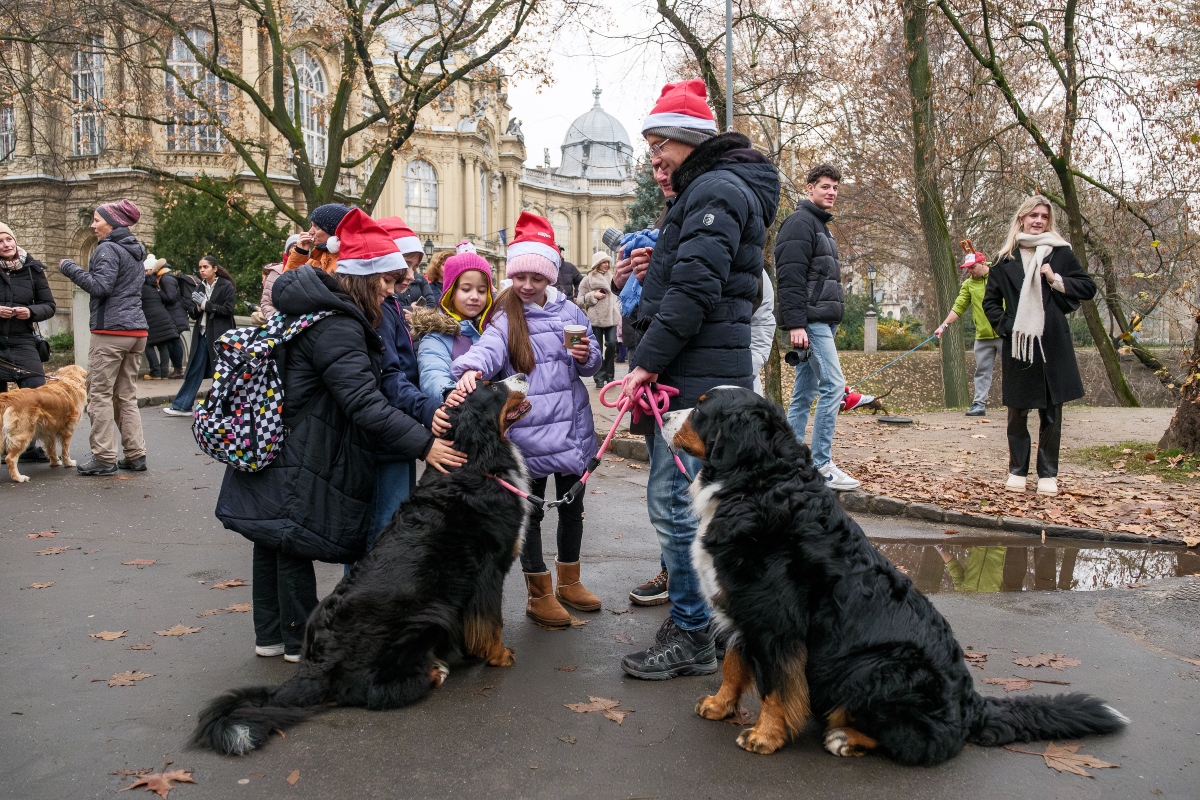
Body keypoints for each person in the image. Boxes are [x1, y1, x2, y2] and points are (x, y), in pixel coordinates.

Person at [215, 209, 465, 662]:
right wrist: (426, 444)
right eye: (386, 282)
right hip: (303, 445)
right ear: (363, 278)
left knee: (269, 537)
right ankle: (299, 644)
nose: (392, 291)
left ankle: (270, 635)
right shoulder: (340, 326)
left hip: (278, 438)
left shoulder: (315, 306)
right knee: (289, 538)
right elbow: (364, 402)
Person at [615, 79, 779, 678]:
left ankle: (692, 631)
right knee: (684, 504)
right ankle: (704, 624)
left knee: (676, 505)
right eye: (650, 148)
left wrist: (643, 365)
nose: (655, 160)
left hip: (694, 382)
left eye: (662, 146)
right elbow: (688, 276)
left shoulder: (716, 189)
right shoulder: (711, 190)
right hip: (698, 374)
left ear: (690, 141)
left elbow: (693, 291)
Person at [452, 212, 603, 628]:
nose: (527, 285)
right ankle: (540, 593)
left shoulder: (569, 311)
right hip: (529, 433)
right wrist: (471, 368)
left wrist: (586, 355)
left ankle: (570, 581)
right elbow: (488, 349)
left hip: (572, 430)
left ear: (550, 276)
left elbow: (593, 363)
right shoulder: (505, 315)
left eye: (536, 278)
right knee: (531, 512)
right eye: (520, 277)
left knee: (573, 507)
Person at [983, 195, 1096, 497]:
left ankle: (1047, 473)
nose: (1038, 221)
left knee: (1051, 413)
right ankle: (1017, 470)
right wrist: (1009, 328)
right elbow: (990, 303)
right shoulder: (1003, 260)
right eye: (1033, 215)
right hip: (1020, 344)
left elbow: (1088, 287)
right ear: (1021, 218)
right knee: (1017, 411)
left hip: (1053, 344)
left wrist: (1055, 278)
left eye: (1044, 216)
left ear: (1049, 221)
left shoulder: (1059, 253)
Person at [774, 164, 859, 491]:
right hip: (810, 323)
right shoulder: (799, 223)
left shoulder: (821, 226)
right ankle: (821, 464)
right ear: (809, 188)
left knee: (804, 393)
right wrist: (795, 323)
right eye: (825, 186)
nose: (832, 192)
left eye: (835, 187)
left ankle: (789, 463)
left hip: (822, 321)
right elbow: (790, 277)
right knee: (834, 387)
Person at [368, 219, 449, 543]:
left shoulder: (390, 305)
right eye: (406, 268)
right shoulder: (381, 311)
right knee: (384, 526)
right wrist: (427, 408)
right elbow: (391, 375)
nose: (412, 277)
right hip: (388, 433)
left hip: (397, 430)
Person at [59, 200, 150, 475]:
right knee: (126, 396)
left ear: (113, 222)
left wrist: (70, 268)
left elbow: (100, 287)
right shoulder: (135, 250)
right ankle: (135, 454)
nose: (92, 225)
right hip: (137, 332)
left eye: (97, 220)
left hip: (111, 332)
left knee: (99, 394)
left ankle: (104, 456)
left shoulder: (108, 248)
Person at [0, 222, 56, 462]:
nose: (5, 245)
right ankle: (4, 447)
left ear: (15, 240)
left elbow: (50, 305)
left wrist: (30, 312)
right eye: (0, 242)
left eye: (8, 239)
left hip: (23, 341)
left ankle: (30, 446)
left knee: (35, 392)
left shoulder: (33, 269)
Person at [414, 241, 494, 401]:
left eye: (482, 290)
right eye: (466, 289)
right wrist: (448, 391)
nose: (475, 296)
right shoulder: (435, 337)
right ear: (450, 293)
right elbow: (432, 371)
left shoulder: (492, 331)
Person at [162, 255, 235, 417]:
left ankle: (223, 408)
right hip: (202, 334)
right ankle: (182, 405)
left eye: (205, 267)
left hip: (220, 336)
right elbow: (193, 314)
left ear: (215, 269)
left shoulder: (226, 286)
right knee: (195, 369)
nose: (202, 270)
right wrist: (197, 308)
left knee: (222, 372)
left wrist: (206, 305)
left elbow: (228, 310)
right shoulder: (200, 287)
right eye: (200, 267)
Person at [935, 249, 1001, 416]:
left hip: (1005, 333)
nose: (970, 271)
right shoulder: (969, 285)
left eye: (972, 267)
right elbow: (958, 307)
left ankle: (1020, 404)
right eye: (968, 268)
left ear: (983, 264)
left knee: (1014, 370)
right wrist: (943, 326)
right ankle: (979, 405)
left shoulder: (1000, 275)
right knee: (982, 371)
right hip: (983, 335)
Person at [575, 252, 620, 386]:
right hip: (596, 319)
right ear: (597, 264)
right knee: (597, 348)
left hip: (612, 317)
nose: (606, 264)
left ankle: (610, 375)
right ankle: (599, 377)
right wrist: (592, 295)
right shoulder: (587, 279)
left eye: (607, 262)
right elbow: (579, 300)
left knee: (612, 344)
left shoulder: (613, 276)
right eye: (603, 262)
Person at [139, 256, 181, 380]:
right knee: (163, 344)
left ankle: (155, 372)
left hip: (151, 318)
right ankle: (164, 373)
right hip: (163, 317)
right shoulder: (155, 286)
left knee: (148, 344)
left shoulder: (141, 287)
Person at [284, 204, 350, 273]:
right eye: (311, 225)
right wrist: (300, 253)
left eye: (317, 227)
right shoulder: (316, 258)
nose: (310, 232)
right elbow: (286, 282)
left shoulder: (346, 263)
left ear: (333, 231)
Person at [254, 233, 301, 323]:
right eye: (293, 246)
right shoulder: (275, 272)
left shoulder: (311, 270)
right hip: (277, 323)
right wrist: (276, 320)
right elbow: (266, 301)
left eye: (300, 246)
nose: (296, 249)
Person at [156, 261, 190, 378]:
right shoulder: (169, 277)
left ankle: (178, 370)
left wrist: (158, 292)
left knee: (174, 342)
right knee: (173, 342)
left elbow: (170, 297)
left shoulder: (166, 279)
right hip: (177, 314)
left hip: (174, 314)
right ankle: (178, 369)